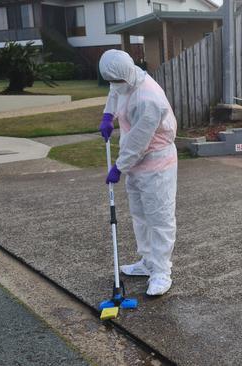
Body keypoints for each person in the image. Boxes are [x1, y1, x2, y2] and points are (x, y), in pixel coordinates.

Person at [98, 49, 178, 296]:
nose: (113, 86)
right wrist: (108, 115)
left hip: (156, 164)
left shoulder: (148, 99)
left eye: (115, 81)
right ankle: (147, 261)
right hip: (136, 163)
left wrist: (118, 167)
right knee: (140, 215)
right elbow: (115, 92)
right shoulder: (125, 79)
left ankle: (162, 272)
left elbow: (138, 143)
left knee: (159, 218)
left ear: (125, 74)